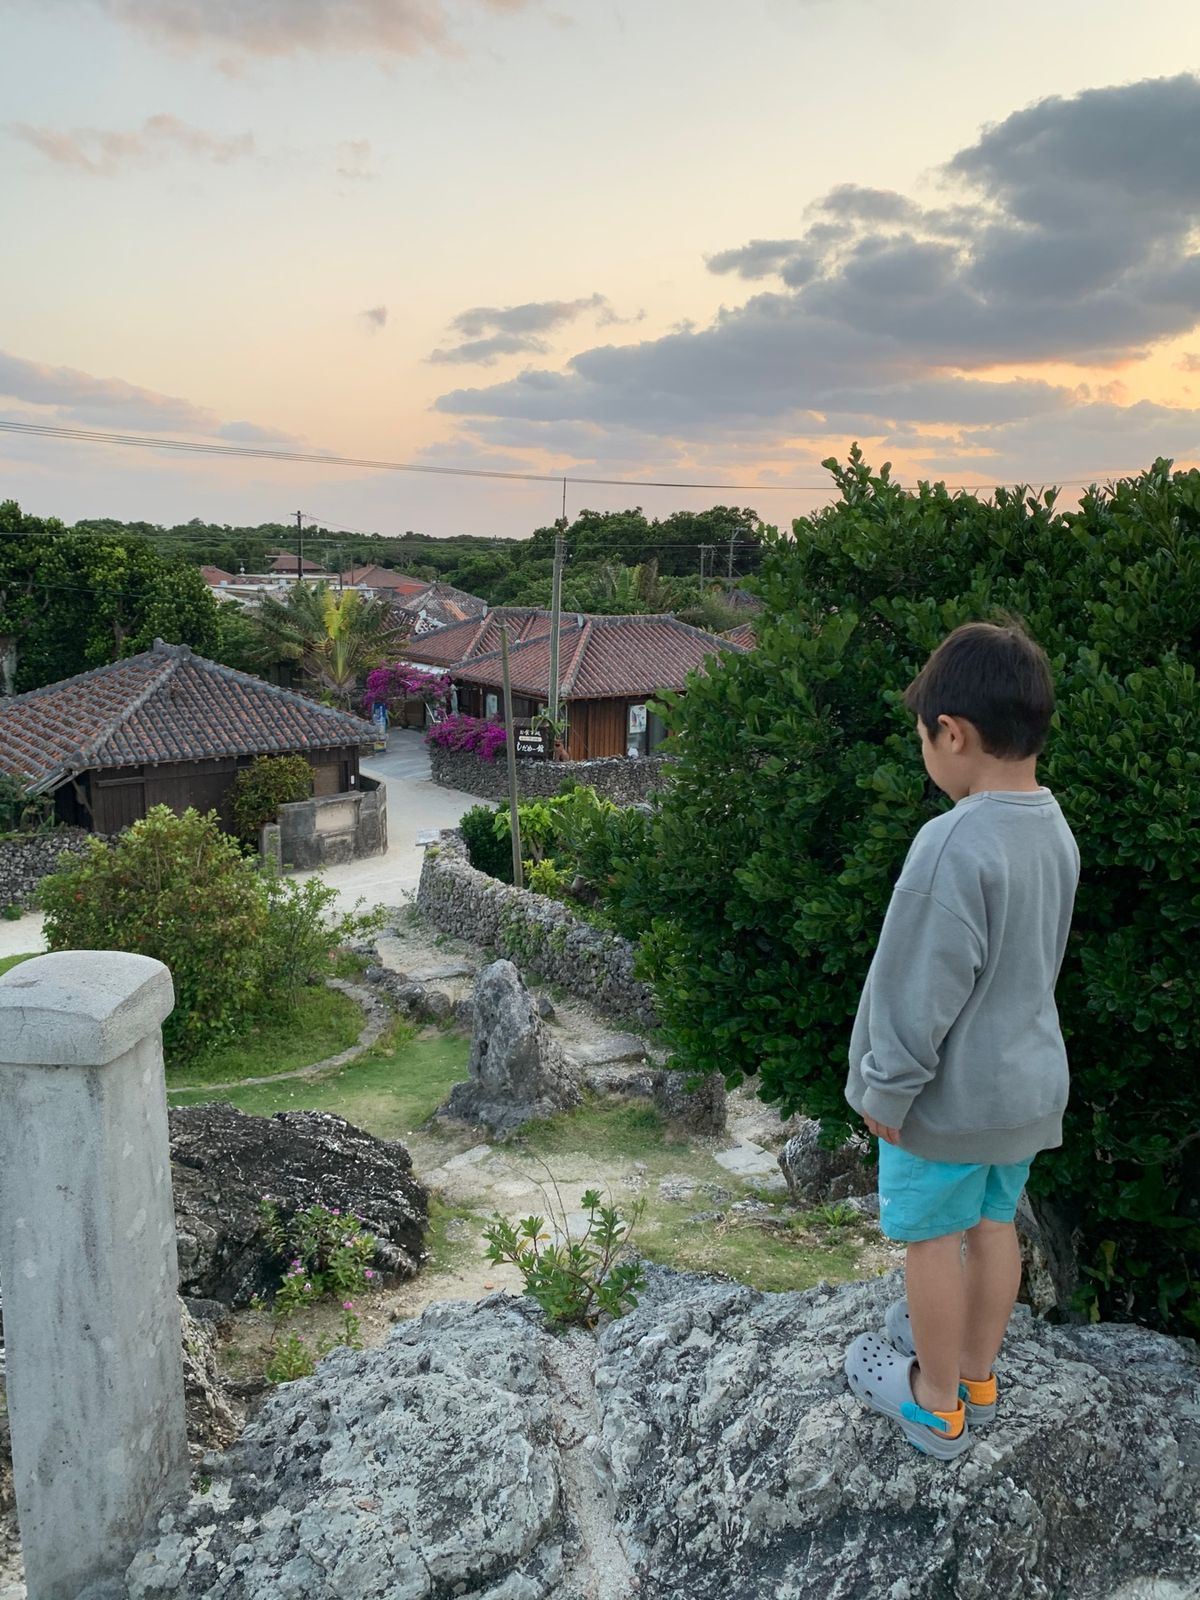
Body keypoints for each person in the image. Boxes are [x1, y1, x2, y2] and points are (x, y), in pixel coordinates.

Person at [842, 619, 1080, 1459]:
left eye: (925, 738)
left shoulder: (951, 844)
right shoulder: (1053, 830)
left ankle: (933, 1401)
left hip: (946, 1099)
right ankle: (978, 1373)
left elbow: (919, 992)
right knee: (994, 1225)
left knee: (932, 1238)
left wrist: (884, 1091)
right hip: (1023, 1088)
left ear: (953, 732)